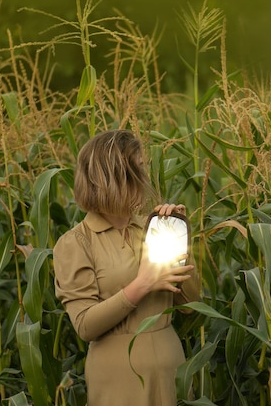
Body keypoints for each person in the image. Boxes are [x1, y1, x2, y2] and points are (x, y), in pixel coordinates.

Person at [53, 129, 200, 406]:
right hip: (119, 381)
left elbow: (190, 304)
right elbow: (85, 326)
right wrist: (141, 285)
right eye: (139, 170)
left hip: (172, 373)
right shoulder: (75, 243)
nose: (145, 180)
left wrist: (181, 234)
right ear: (112, 177)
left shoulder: (154, 228)